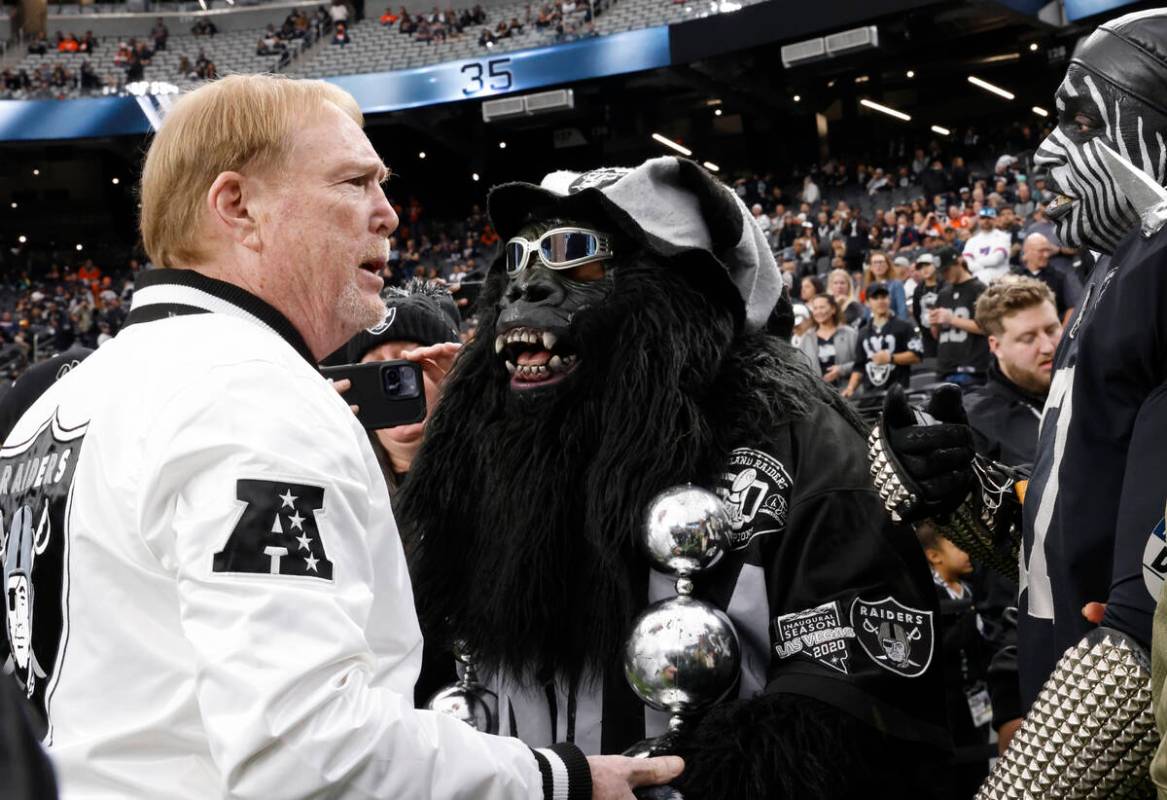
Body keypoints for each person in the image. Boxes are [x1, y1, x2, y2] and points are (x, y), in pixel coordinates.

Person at [0, 74, 680, 800]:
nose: (388, 214)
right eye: (355, 182)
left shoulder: (68, 395)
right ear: (239, 206)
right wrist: (555, 778)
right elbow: (303, 750)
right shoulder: (245, 389)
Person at [398, 157, 951, 799]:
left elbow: (856, 699)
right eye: (518, 260)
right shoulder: (474, 452)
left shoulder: (794, 440)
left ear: (683, 289)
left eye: (577, 255)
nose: (527, 287)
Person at [872, 11, 1167, 797]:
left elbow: (1154, 613)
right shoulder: (1122, 266)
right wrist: (963, 492)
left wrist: (1031, 782)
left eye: (1078, 119)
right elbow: (1075, 544)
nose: (1043, 151)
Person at [916, 522, 995, 799]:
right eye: (958, 546)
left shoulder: (970, 589)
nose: (967, 554)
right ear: (935, 556)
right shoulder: (927, 594)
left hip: (975, 693)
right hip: (946, 696)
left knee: (979, 760)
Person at [963, 277, 1061, 467]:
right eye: (1028, 338)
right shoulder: (976, 423)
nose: (1047, 347)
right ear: (996, 346)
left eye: (1051, 330)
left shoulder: (1096, 390)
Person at [842, 282, 922, 399]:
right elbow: (859, 367)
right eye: (875, 298)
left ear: (889, 299)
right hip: (869, 398)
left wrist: (891, 358)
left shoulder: (905, 326)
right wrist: (850, 388)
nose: (881, 301)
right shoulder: (863, 332)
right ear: (867, 303)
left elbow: (917, 356)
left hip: (897, 397)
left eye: (884, 297)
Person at [930, 251, 990, 389]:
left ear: (959, 262)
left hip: (972, 368)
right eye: (942, 271)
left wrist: (951, 319)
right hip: (945, 368)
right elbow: (936, 335)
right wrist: (934, 324)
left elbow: (987, 328)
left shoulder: (979, 289)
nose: (945, 275)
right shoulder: (943, 293)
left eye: (947, 269)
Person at [797, 293, 857, 390]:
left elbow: (861, 363)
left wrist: (842, 370)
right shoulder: (807, 338)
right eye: (815, 308)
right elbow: (800, 368)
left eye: (822, 307)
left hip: (847, 393)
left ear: (833, 309)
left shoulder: (849, 333)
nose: (818, 311)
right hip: (818, 396)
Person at [1013, 233, 1077, 322]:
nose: (1046, 255)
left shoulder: (1058, 277)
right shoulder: (1014, 278)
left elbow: (1072, 308)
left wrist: (1062, 333)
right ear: (1027, 251)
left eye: (1047, 250)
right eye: (1041, 251)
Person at [961, 208, 1011, 284]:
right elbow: (966, 263)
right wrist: (983, 263)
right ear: (979, 220)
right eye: (983, 218)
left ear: (995, 220)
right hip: (978, 283)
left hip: (1000, 282)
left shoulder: (1004, 237)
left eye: (989, 218)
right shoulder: (972, 241)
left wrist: (976, 262)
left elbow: (995, 260)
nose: (986, 220)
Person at [910, 253, 944, 359]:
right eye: (921, 267)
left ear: (935, 265)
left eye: (927, 265)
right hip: (927, 336)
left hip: (945, 334)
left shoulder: (944, 285)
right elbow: (916, 312)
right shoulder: (918, 290)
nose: (924, 270)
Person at [862, 250, 908, 320]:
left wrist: (901, 329)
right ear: (871, 267)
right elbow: (867, 312)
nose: (878, 265)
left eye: (881, 262)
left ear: (887, 266)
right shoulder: (869, 286)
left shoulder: (896, 284)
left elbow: (902, 310)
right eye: (875, 263)